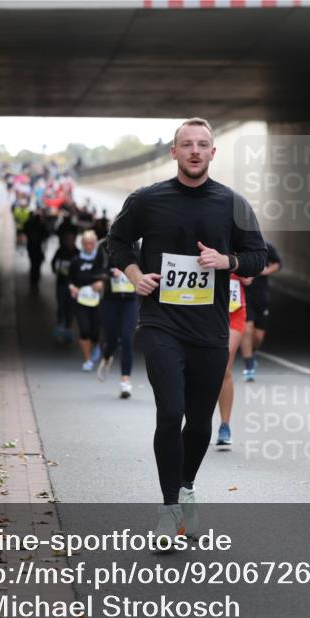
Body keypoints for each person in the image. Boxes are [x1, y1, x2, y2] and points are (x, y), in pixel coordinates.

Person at [106, 117, 266, 542]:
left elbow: (257, 256)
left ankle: (186, 487)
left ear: (213, 153)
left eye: (203, 145)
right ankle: (169, 509)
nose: (195, 151)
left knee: (198, 423)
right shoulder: (148, 200)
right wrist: (135, 273)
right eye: (187, 144)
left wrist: (226, 262)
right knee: (170, 411)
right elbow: (116, 241)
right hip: (161, 323)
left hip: (210, 329)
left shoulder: (233, 204)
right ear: (174, 153)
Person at [95, 232, 140, 399]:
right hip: (110, 300)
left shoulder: (136, 245)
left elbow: (143, 267)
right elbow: (96, 270)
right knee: (112, 338)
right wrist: (109, 273)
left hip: (130, 300)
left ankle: (125, 381)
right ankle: (107, 357)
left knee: (127, 337)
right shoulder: (104, 245)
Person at [215, 274, 250, 445]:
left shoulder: (237, 248)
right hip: (208, 314)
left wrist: (248, 274)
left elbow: (253, 267)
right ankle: (198, 422)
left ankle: (224, 426)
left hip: (234, 314)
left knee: (223, 364)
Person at [240, 241, 281, 381]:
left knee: (258, 337)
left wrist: (266, 271)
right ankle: (249, 366)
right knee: (247, 329)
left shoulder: (266, 247)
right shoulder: (239, 247)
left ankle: (252, 352)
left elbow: (277, 263)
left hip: (261, 298)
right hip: (245, 297)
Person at [69, 230, 106, 371]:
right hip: (81, 300)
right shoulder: (76, 261)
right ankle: (87, 359)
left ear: (95, 244)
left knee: (95, 331)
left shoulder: (101, 260)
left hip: (97, 300)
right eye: (86, 243)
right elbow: (69, 279)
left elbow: (107, 275)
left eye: (91, 243)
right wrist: (72, 287)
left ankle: (96, 345)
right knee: (84, 329)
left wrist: (102, 283)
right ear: (82, 244)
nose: (89, 246)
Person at [50, 220, 79, 343]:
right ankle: (61, 325)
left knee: (70, 308)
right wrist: (56, 271)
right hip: (61, 284)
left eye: (71, 239)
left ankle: (67, 328)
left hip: (73, 286)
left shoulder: (78, 253)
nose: (69, 241)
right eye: (67, 239)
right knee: (61, 306)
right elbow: (53, 263)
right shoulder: (60, 251)